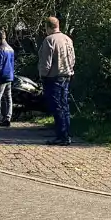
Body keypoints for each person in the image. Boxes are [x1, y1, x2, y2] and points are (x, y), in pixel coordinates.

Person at [38, 16, 76, 145]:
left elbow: (46, 62)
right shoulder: (67, 39)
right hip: (66, 75)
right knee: (64, 105)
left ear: (48, 27)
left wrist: (42, 75)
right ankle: (67, 133)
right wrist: (70, 71)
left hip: (53, 77)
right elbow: (72, 58)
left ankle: (62, 136)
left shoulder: (49, 40)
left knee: (56, 106)